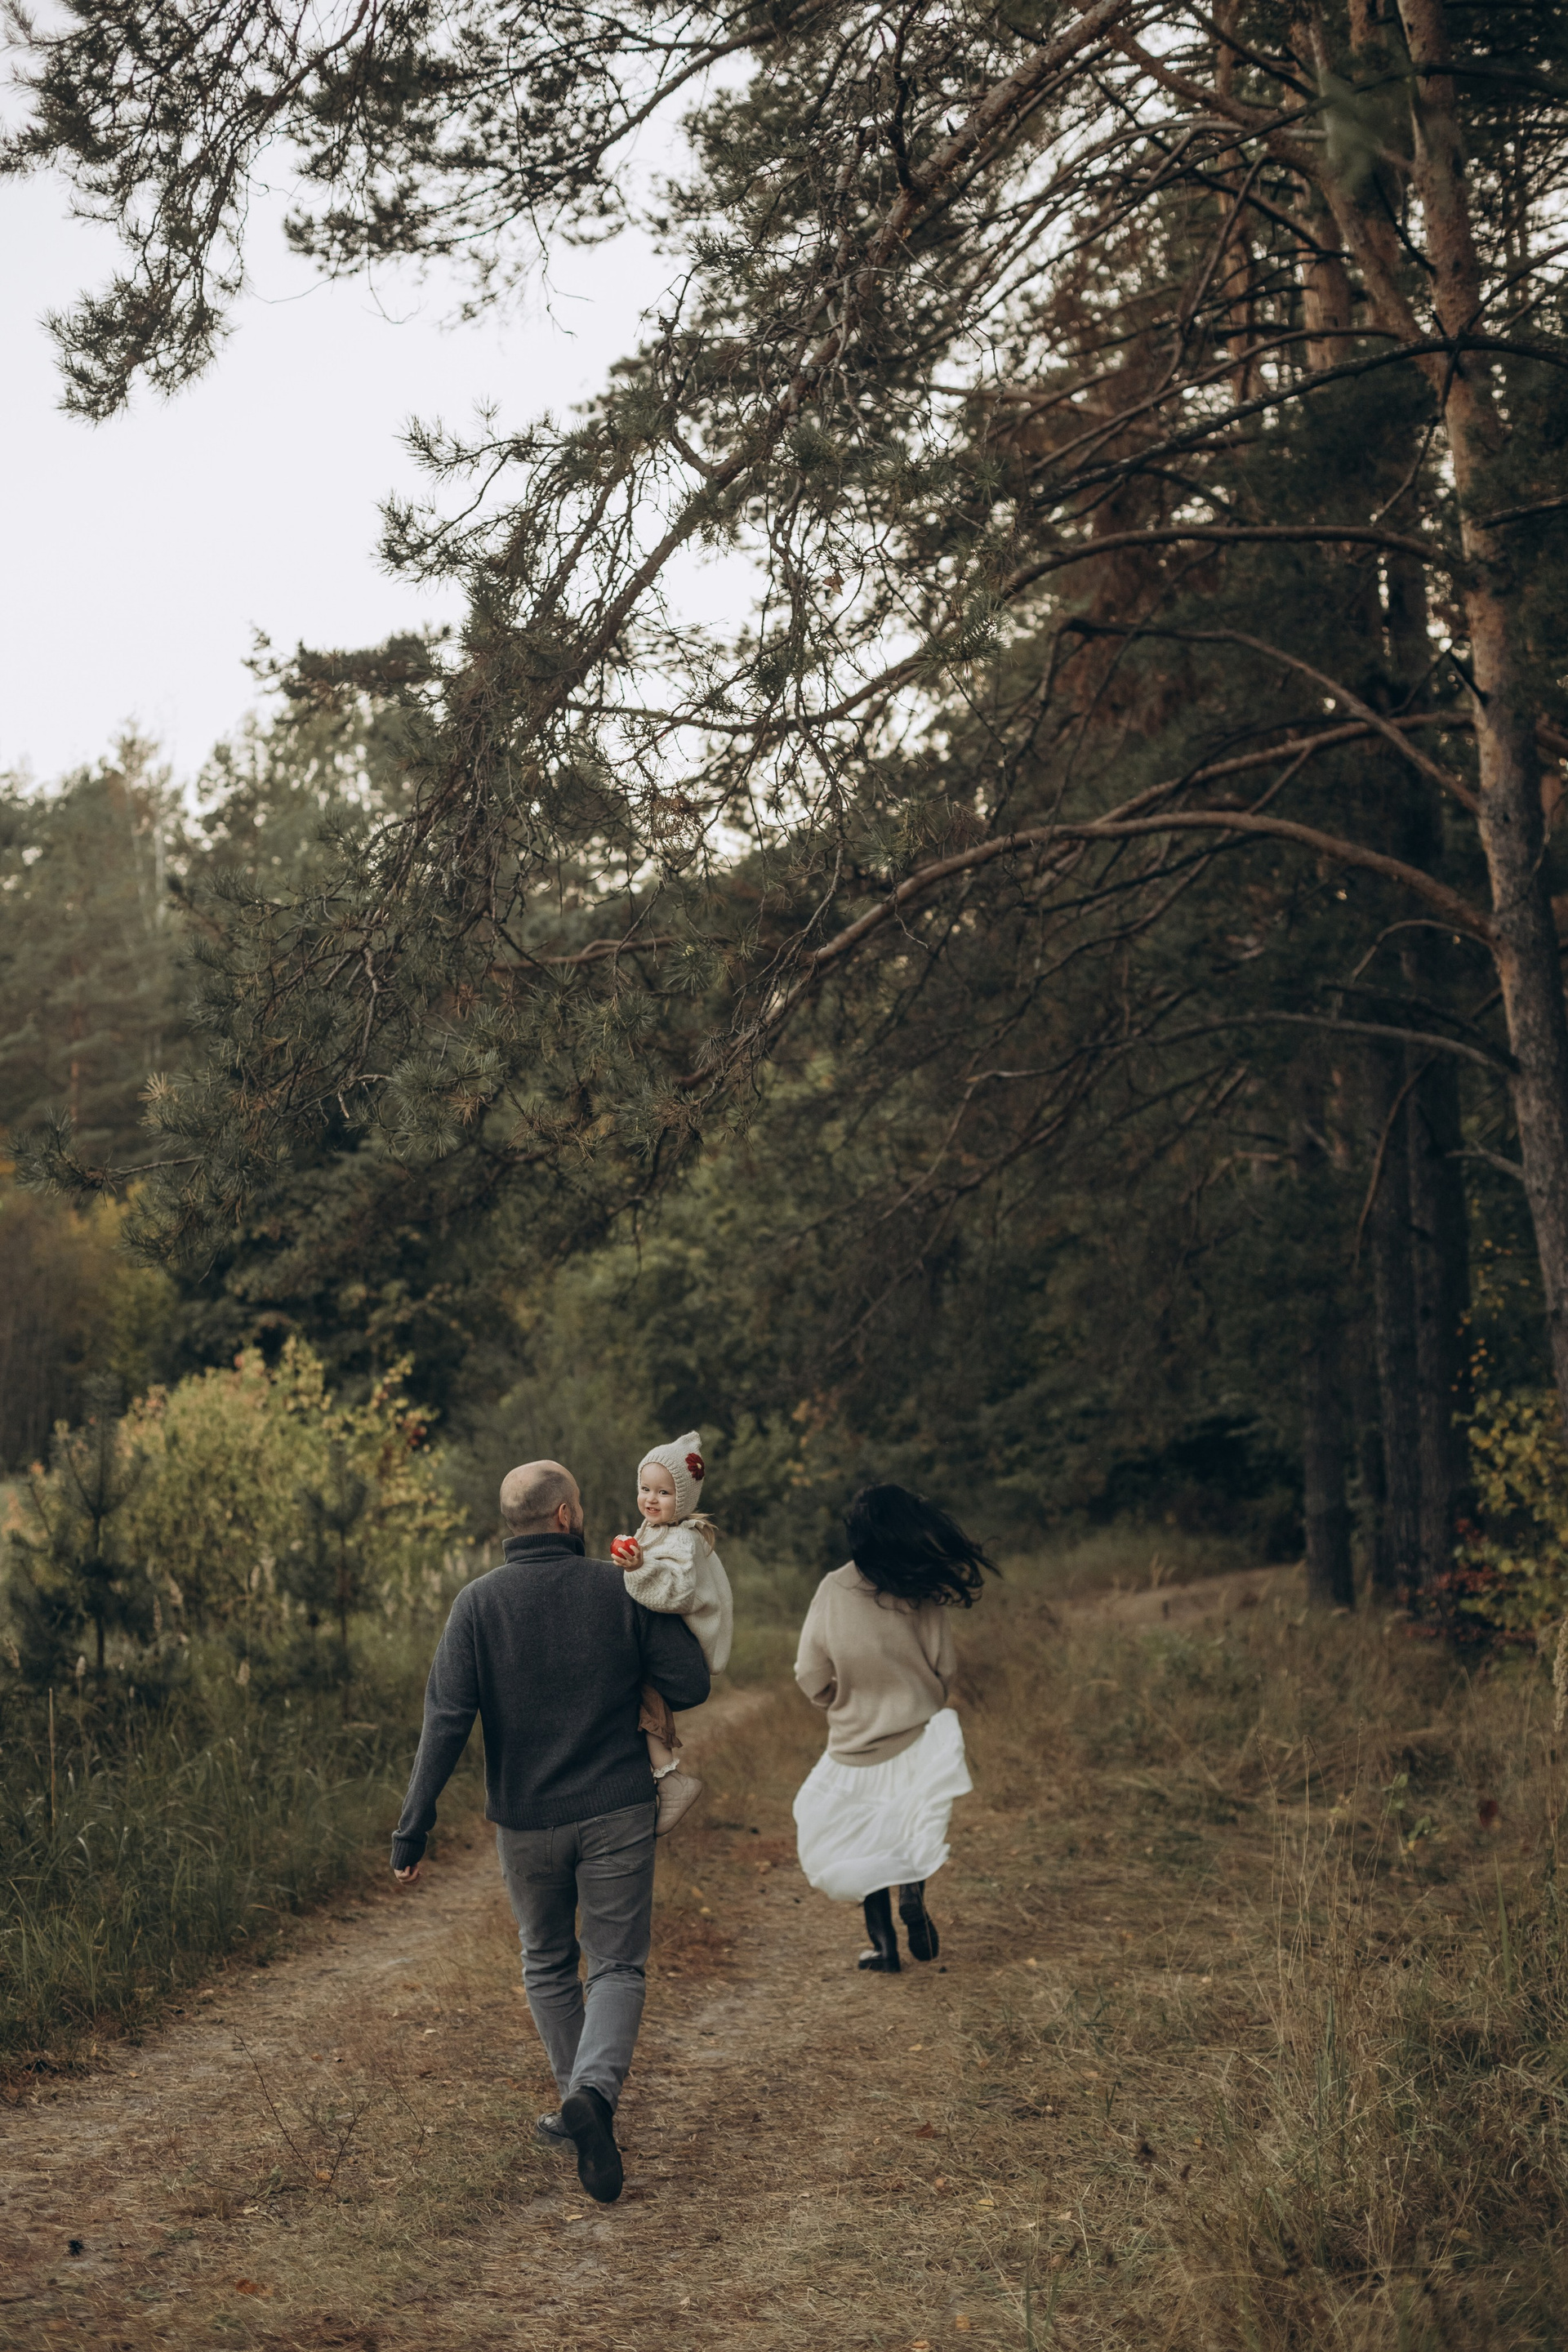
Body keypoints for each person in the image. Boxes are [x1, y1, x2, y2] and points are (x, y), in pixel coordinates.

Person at [390, 1459, 710, 2203]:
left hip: (526, 1822)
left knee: (547, 1961)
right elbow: (690, 1684)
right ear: (565, 1515)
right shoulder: (618, 1587)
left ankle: (579, 2106)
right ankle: (591, 2098)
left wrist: (412, 1827)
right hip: (616, 1809)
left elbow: (446, 1720)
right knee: (616, 1965)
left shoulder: (476, 1604)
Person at [791, 1482, 994, 1971]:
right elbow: (945, 1665)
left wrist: (834, 1701)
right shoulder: (918, 1589)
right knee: (908, 1830)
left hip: (853, 1746)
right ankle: (913, 1894)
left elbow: (809, 1671)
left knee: (863, 1842)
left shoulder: (833, 1588)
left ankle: (884, 1950)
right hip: (917, 1736)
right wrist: (926, 1698)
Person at [611, 1430, 734, 1838]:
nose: (651, 1499)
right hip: (663, 1635)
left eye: (663, 1493)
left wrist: (638, 1567)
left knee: (643, 1688)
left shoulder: (683, 1537)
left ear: (682, 1500)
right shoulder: (652, 1529)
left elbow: (677, 1592)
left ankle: (669, 1776)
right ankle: (663, 1776)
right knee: (639, 1689)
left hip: (682, 1638)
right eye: (645, 1489)